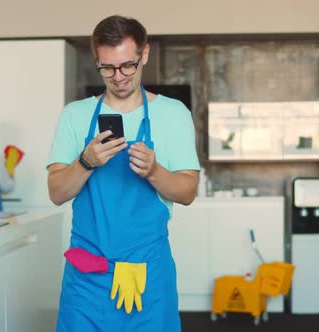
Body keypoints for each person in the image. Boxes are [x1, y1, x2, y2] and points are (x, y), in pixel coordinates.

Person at [47, 15, 200, 331]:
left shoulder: (173, 114)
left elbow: (187, 193)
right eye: (107, 68)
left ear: (145, 54)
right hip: (87, 276)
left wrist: (154, 171)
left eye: (127, 65)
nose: (118, 77)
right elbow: (56, 193)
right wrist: (85, 162)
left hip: (146, 272)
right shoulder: (75, 116)